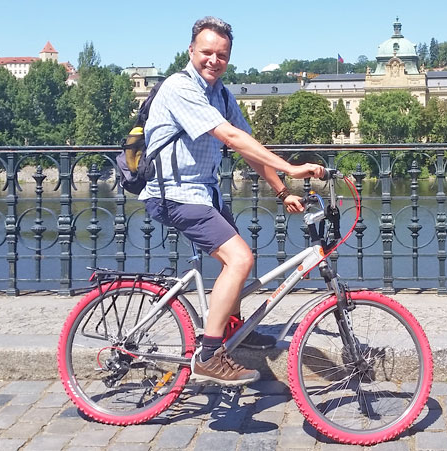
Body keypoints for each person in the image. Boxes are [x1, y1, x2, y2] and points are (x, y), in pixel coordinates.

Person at [139, 16, 324, 386]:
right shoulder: (179, 88)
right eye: (206, 52)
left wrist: (282, 189)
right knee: (240, 259)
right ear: (191, 51)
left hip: (203, 193)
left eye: (221, 55)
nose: (213, 60)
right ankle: (209, 354)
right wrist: (289, 167)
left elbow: (248, 148)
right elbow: (229, 137)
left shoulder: (221, 93)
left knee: (236, 258)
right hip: (173, 193)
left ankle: (232, 328)